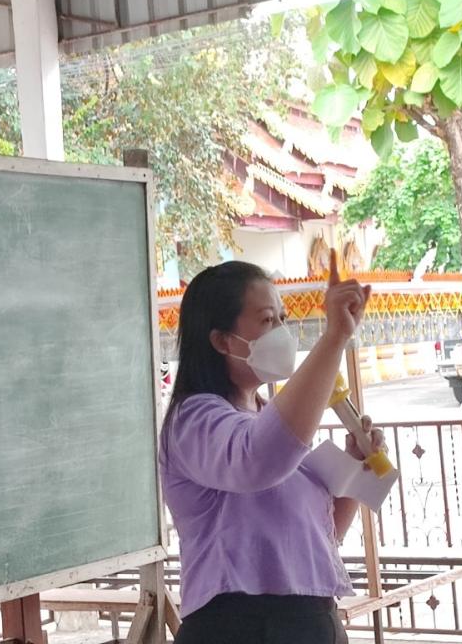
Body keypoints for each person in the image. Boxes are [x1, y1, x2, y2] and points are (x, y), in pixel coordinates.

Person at [160, 254, 384, 644]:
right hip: (239, 627)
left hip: (311, 619)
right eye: (267, 320)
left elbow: (322, 533)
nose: (282, 331)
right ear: (222, 341)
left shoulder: (269, 419)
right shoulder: (193, 421)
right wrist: (333, 339)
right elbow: (257, 458)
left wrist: (357, 465)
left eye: (282, 318)